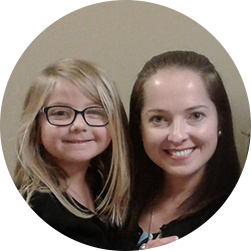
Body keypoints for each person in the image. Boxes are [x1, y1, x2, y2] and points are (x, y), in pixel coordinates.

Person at [113, 50, 246, 251]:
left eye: (196, 115)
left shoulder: (239, 214)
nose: (177, 135)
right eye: (158, 119)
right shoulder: (113, 200)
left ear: (220, 121)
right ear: (140, 127)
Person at [0, 58, 131, 251]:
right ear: (36, 129)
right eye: (60, 113)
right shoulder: (39, 204)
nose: (79, 125)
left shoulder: (97, 185)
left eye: (95, 112)